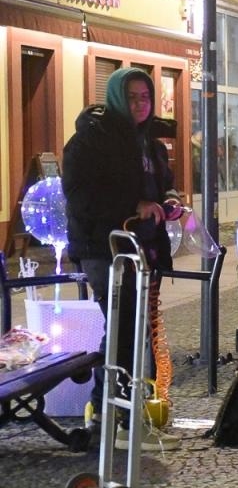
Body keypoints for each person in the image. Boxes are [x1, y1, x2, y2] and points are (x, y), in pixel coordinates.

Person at [63, 67, 183, 419]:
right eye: (131, 97)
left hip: (142, 248)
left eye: (145, 97)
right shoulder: (91, 140)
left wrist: (171, 200)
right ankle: (108, 410)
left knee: (136, 328)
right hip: (104, 249)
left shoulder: (149, 142)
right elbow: (81, 196)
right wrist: (132, 206)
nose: (140, 104)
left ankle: (122, 408)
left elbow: (163, 185)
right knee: (123, 326)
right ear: (116, 97)